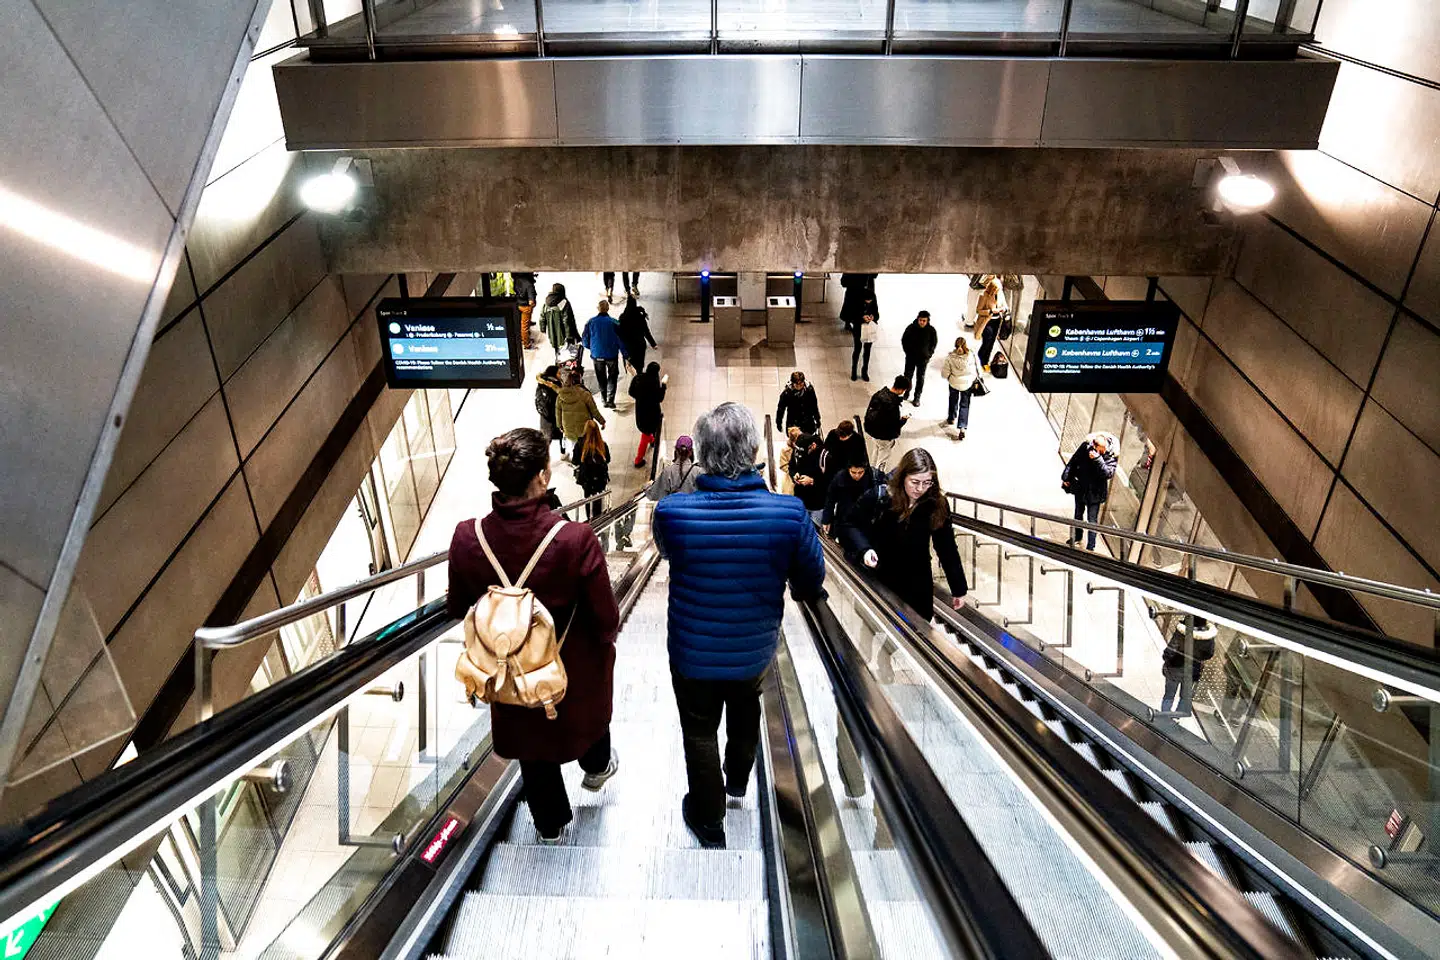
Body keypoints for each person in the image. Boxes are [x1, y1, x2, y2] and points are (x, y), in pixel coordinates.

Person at [653, 403, 825, 848]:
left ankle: (709, 821)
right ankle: (737, 784)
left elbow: (669, 554)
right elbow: (811, 578)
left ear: (705, 457)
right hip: (754, 649)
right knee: (746, 712)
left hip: (692, 652)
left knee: (698, 730)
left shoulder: (673, 512)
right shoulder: (789, 515)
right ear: (752, 451)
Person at [447, 428, 620, 844]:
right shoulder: (574, 539)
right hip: (571, 672)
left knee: (531, 745)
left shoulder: (469, 537)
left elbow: (459, 608)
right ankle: (596, 769)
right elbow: (606, 618)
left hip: (508, 672)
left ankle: (551, 826)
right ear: (543, 476)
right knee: (587, 722)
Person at [842, 448, 968, 621]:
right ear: (903, 478)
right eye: (914, 482)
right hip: (882, 575)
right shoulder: (883, 497)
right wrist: (865, 549)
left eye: (927, 482)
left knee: (919, 631)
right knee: (879, 624)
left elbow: (946, 547)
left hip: (917, 581)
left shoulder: (936, 505)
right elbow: (850, 523)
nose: (920, 489)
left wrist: (958, 588)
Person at [1062, 432, 1118, 550]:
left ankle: (1091, 546)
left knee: (1092, 520)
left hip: (1095, 493)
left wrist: (1098, 459)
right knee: (1078, 514)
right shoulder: (1086, 447)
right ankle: (1076, 537)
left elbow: (1108, 473)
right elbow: (1074, 461)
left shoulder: (1111, 455)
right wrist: (1066, 477)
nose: (1096, 450)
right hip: (1081, 487)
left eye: (1099, 449)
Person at [1159, 616, 1218, 716]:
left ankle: (1164, 715)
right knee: (1184, 697)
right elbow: (1209, 654)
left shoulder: (1182, 632)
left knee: (1169, 695)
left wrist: (1167, 659)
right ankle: (1177, 717)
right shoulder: (1207, 636)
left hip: (1174, 669)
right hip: (1192, 672)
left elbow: (1169, 652)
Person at [581, 300, 628, 409]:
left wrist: (592, 347)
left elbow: (585, 340)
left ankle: (603, 398)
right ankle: (610, 400)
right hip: (611, 355)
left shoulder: (590, 322)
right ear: (607, 309)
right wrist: (625, 354)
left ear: (598, 309)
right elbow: (621, 340)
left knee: (601, 377)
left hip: (597, 355)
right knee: (612, 376)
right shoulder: (614, 322)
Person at [823, 456, 876, 542]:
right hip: (843, 517)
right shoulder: (839, 478)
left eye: (860, 472)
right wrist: (826, 520)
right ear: (848, 469)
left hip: (863, 519)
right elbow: (830, 499)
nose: (857, 475)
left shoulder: (871, 477)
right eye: (854, 472)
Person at [862, 376, 909, 471]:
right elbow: (895, 425)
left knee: (876, 450)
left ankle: (871, 470)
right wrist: (904, 419)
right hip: (884, 436)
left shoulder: (879, 394)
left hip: (873, 431)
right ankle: (878, 476)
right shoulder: (892, 405)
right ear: (901, 390)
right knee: (883, 458)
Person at [555, 365, 605, 453]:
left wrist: (560, 426)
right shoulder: (584, 394)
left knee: (574, 448)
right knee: (586, 448)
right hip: (584, 428)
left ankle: (576, 462)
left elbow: (558, 412)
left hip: (569, 428)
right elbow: (594, 411)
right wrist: (602, 421)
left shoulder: (560, 395)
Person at [628, 362, 667, 468]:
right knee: (645, 436)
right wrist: (663, 385)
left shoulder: (638, 378)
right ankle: (638, 460)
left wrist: (640, 397)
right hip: (652, 415)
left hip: (640, 413)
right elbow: (660, 398)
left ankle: (652, 440)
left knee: (646, 432)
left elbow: (631, 392)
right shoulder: (654, 383)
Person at [940, 337, 980, 440]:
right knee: (965, 405)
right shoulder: (971, 355)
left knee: (953, 400)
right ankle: (962, 427)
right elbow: (976, 369)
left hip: (954, 383)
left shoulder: (950, 357)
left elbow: (945, 374)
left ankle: (951, 418)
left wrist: (949, 377)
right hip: (967, 384)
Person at [573, 420, 611, 519]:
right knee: (598, 500)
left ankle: (589, 519)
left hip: (586, 479)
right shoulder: (602, 444)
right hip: (600, 479)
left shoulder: (579, 444)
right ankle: (598, 519)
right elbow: (608, 459)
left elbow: (575, 461)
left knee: (587, 499)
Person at [900, 311, 938, 406]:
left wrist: (929, 354)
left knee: (920, 378)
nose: (922, 322)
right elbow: (904, 340)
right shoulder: (911, 328)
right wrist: (907, 351)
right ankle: (907, 391)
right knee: (908, 376)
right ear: (918, 319)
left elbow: (934, 343)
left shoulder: (931, 331)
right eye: (920, 320)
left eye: (924, 321)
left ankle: (917, 397)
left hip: (923, 359)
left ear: (927, 321)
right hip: (911, 358)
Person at [787, 433, 826, 523]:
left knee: (815, 531)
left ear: (813, 446)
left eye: (804, 451)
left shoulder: (824, 456)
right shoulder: (798, 451)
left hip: (818, 503)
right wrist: (794, 475)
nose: (801, 454)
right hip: (800, 500)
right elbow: (791, 466)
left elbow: (830, 480)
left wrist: (813, 481)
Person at [972, 274, 1008, 369]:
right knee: (987, 341)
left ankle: (986, 361)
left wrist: (1002, 309)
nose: (998, 291)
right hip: (987, 322)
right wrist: (991, 311)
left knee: (992, 342)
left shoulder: (999, 295)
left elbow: (1004, 305)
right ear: (992, 288)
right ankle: (981, 358)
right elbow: (978, 310)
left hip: (997, 321)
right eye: (996, 289)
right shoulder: (984, 296)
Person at [820, 419, 867, 490]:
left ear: (850, 434)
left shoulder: (857, 440)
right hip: (832, 466)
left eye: (843, 436)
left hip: (846, 468)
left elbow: (858, 458)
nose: (840, 438)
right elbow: (825, 448)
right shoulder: (833, 433)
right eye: (839, 435)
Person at [649, 436, 701, 500]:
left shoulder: (667, 471)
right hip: (693, 509)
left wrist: (647, 486)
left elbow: (655, 495)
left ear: (676, 451)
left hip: (671, 509)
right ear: (691, 452)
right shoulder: (699, 472)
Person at [540, 283, 578, 363]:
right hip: (563, 333)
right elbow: (566, 320)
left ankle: (558, 361)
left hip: (552, 333)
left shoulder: (546, 303)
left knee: (557, 348)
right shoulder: (564, 302)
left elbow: (542, 317)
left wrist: (543, 329)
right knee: (568, 352)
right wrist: (569, 336)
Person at [617, 295, 657, 372]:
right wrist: (653, 344)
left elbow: (620, 333)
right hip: (640, 345)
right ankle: (639, 375)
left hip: (628, 345)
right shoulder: (640, 316)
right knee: (639, 365)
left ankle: (631, 371)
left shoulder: (622, 317)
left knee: (631, 362)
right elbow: (646, 331)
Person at [775, 370, 821, 435]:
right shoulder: (787, 393)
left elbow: (814, 405)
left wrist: (817, 419)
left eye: (801, 384)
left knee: (808, 439)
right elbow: (780, 409)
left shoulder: (809, 390)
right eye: (797, 384)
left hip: (807, 421)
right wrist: (778, 422)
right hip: (794, 421)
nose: (799, 386)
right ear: (793, 383)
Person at [534, 364, 565, 456]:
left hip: (545, 417)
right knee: (561, 435)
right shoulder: (556, 386)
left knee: (546, 438)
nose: (560, 375)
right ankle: (562, 453)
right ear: (554, 374)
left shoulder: (541, 384)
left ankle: (544, 457)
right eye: (559, 373)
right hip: (555, 415)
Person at [851, 308, 879, 382]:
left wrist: (873, 317)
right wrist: (862, 318)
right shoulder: (857, 301)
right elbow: (852, 315)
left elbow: (877, 314)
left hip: (869, 330)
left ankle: (864, 372)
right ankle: (854, 371)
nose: (868, 302)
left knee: (867, 352)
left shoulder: (873, 300)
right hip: (858, 329)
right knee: (857, 350)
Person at [514, 272, 538, 349]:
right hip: (526, 307)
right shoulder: (529, 285)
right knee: (525, 327)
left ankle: (523, 339)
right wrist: (532, 306)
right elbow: (531, 301)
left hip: (518, 304)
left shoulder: (517, 280)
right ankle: (527, 344)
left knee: (521, 324)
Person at [777, 426, 801, 495]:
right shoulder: (785, 451)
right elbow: (783, 465)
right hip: (790, 479)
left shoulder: (802, 448)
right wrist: (793, 472)